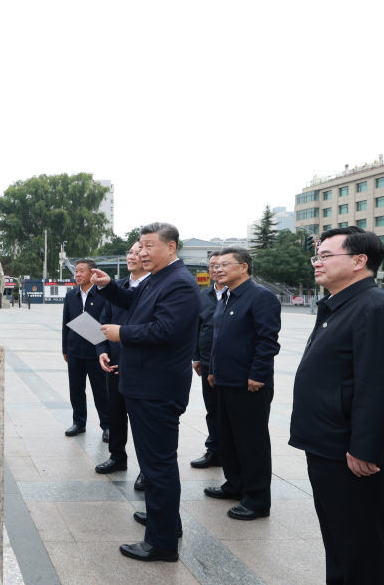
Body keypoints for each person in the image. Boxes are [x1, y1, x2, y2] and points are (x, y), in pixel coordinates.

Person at [284, 226, 384, 585]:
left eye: (325, 254)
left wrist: (366, 446)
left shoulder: (375, 308)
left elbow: (382, 386)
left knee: (360, 536)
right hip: (327, 438)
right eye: (316, 255)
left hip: (351, 447)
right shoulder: (341, 304)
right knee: (338, 527)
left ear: (359, 261)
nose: (316, 261)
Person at [90, 222, 199, 562]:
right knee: (155, 465)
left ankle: (161, 542)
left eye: (150, 245)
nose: (143, 252)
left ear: (171, 247)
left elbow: (165, 330)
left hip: (157, 388)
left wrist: (122, 333)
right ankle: (164, 521)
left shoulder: (179, 284)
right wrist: (109, 287)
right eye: (140, 245)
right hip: (145, 385)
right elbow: (134, 301)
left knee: (158, 465)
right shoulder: (159, 279)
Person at [203, 247, 281, 520]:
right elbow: (218, 339)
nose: (218, 269)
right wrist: (213, 370)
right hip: (224, 380)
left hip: (249, 384)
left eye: (225, 264)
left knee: (251, 442)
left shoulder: (261, 297)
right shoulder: (226, 298)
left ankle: (257, 500)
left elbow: (267, 340)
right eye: (216, 265)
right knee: (228, 438)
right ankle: (235, 484)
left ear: (244, 267)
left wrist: (258, 375)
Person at [94, 242, 149, 480]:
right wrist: (101, 351)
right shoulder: (116, 287)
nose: (132, 256)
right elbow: (101, 323)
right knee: (115, 414)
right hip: (114, 362)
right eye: (130, 252)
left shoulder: (151, 288)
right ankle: (117, 456)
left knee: (142, 421)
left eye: (138, 252)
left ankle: (147, 470)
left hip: (140, 364)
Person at [62, 258, 110, 439]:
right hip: (74, 350)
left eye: (82, 271)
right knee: (75, 388)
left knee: (101, 390)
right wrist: (65, 348)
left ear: (93, 273)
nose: (78, 274)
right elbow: (65, 323)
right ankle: (78, 422)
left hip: (96, 351)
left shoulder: (103, 294)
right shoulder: (71, 295)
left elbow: (107, 321)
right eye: (76, 271)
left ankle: (107, 425)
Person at [189, 251, 224, 469]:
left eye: (220, 265)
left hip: (231, 366)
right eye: (212, 266)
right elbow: (197, 327)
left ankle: (231, 452)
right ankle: (214, 450)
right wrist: (196, 357)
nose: (215, 270)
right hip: (207, 362)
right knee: (212, 408)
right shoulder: (204, 296)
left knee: (229, 412)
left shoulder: (239, 295)